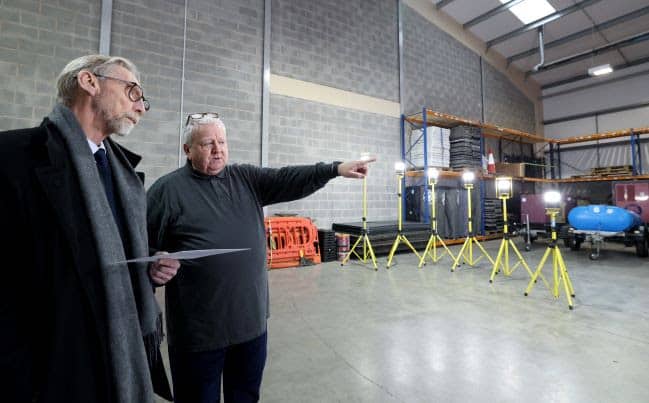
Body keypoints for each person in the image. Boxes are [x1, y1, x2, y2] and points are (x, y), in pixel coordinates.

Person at [147, 113, 375, 402]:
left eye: (222, 142)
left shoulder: (246, 178)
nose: (217, 150)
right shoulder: (167, 191)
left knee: (245, 396)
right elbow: (141, 246)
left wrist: (335, 169)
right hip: (200, 332)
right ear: (187, 150)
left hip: (251, 324)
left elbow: (288, 177)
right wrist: (154, 262)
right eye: (207, 143)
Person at [0, 55, 180, 403]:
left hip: (120, 357)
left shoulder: (123, 175)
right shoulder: (12, 159)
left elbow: (113, 253)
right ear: (89, 81)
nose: (141, 108)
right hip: (56, 369)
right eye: (133, 91)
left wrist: (149, 266)